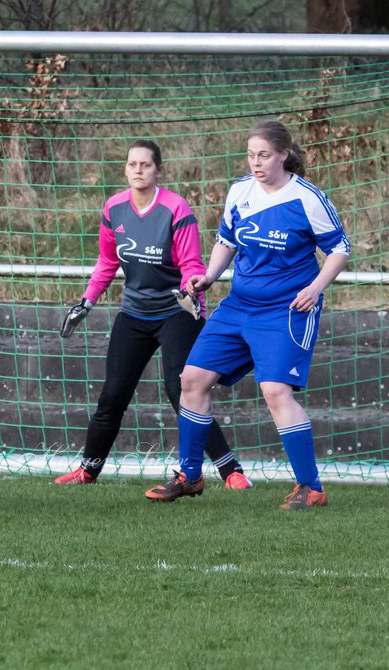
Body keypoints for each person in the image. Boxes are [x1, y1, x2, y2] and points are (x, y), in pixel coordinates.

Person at [145, 120, 349, 510]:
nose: (256, 162)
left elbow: (339, 247)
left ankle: (312, 487)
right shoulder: (240, 190)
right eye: (251, 154)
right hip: (238, 306)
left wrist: (315, 288)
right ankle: (189, 475)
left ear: (284, 154)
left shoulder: (307, 198)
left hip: (286, 309)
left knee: (275, 391)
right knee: (191, 379)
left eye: (264, 155)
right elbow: (227, 239)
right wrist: (208, 276)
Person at [56, 139, 250, 489]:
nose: (138, 170)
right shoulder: (114, 208)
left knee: (182, 392)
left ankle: (231, 471)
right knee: (113, 394)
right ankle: (88, 470)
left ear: (158, 170)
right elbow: (106, 261)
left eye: (145, 165)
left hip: (175, 312)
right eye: (132, 164)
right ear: (125, 169)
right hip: (133, 313)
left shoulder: (176, 208)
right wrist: (87, 300)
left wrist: (194, 290)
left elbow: (191, 262)